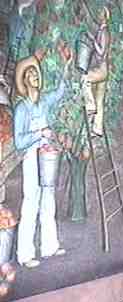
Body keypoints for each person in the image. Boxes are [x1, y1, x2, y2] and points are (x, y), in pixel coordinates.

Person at [14, 48, 72, 268]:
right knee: (31, 202)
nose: (35, 77)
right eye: (31, 75)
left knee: (48, 200)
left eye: (37, 74)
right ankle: (25, 254)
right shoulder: (22, 108)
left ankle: (49, 246)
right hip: (31, 157)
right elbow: (19, 142)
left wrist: (66, 65)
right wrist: (40, 134)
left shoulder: (44, 101)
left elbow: (60, 92)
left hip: (47, 157)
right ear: (24, 82)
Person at [81, 6, 111, 137]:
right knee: (100, 99)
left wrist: (93, 40)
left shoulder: (104, 32)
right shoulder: (101, 30)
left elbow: (101, 52)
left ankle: (89, 105)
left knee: (85, 78)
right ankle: (97, 129)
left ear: (105, 16)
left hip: (101, 68)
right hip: (103, 69)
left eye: (100, 13)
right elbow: (90, 19)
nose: (98, 15)